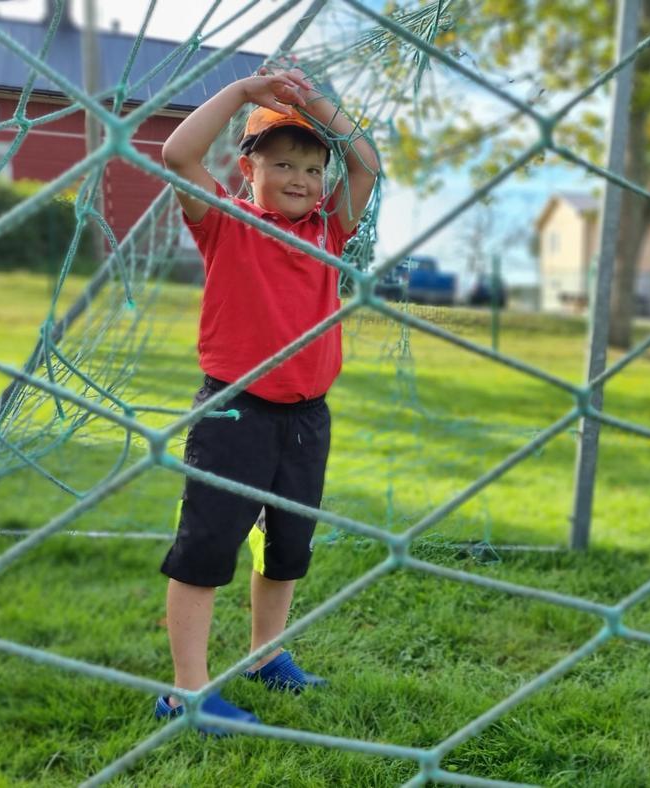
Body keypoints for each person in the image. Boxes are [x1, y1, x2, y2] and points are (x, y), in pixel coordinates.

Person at [154, 65, 378, 727]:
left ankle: (264, 656)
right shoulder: (226, 221)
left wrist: (311, 102)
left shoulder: (329, 232)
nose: (301, 181)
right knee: (206, 548)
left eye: (311, 168)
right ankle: (185, 692)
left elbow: (365, 162)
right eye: (283, 163)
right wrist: (246, 95)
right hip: (235, 413)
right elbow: (177, 154)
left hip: (307, 417)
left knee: (287, 547)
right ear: (249, 169)